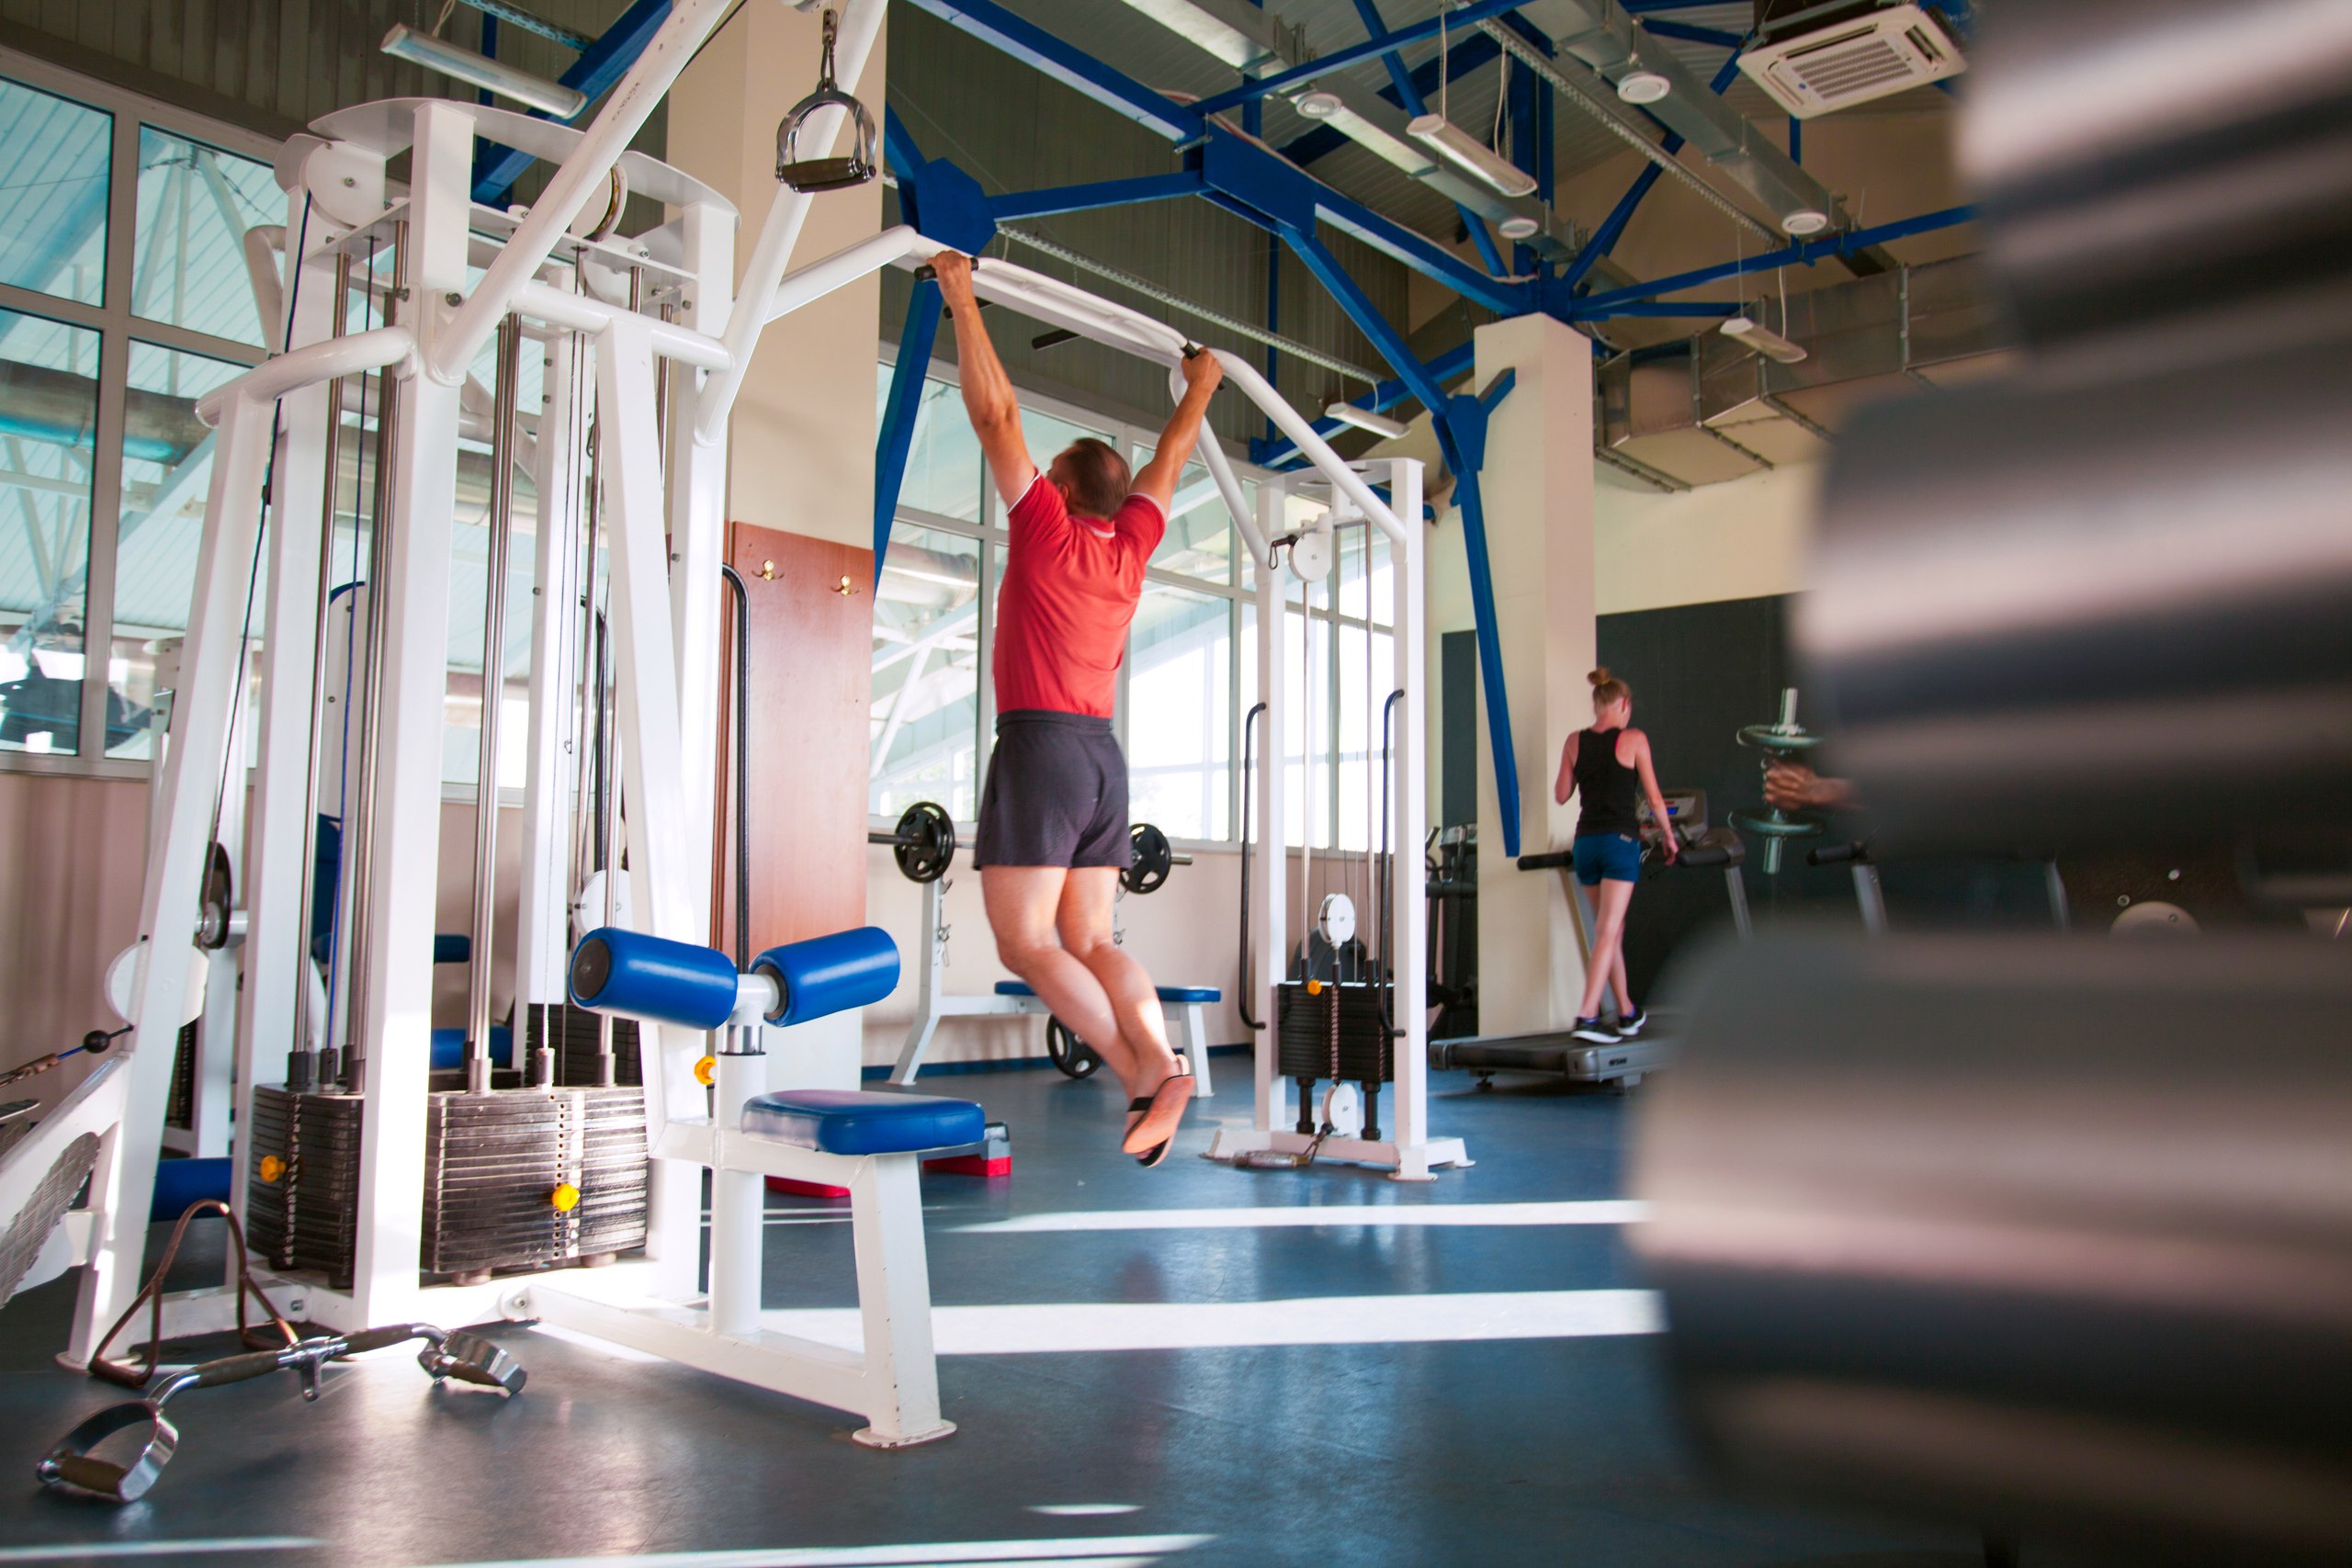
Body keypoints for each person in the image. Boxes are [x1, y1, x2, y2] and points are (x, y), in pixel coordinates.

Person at [930, 250, 1223, 1168]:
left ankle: (1138, 1071)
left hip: (1042, 750)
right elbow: (1172, 458)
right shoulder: (1131, 544)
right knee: (1090, 937)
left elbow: (996, 416)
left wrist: (961, 295)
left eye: (1047, 475)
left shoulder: (1045, 529)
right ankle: (1161, 1059)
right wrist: (1201, 388)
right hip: (1102, 759)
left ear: (1057, 491)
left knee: (1025, 943)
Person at [1553, 668, 1677, 1043]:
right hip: (1619, 842)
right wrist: (1669, 837)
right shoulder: (1634, 738)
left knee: (1610, 930)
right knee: (1608, 930)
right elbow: (1654, 799)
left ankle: (1626, 1011)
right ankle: (1587, 1015)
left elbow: (1561, 795)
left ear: (1597, 705)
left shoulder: (1574, 741)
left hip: (1586, 845)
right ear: (1623, 704)